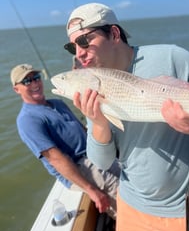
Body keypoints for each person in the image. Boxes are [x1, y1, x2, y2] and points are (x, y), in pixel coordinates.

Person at [64, 3, 189, 231]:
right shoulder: (91, 82)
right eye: (72, 47)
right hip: (130, 204)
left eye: (84, 40)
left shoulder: (173, 57)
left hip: (181, 209)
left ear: (114, 33)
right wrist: (99, 122)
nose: (79, 52)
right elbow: (101, 161)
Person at [11, 63, 120, 219]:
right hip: (81, 166)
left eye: (36, 78)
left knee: (132, 182)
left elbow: (83, 129)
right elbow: (55, 159)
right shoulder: (27, 120)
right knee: (124, 198)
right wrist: (91, 190)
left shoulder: (58, 103)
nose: (34, 83)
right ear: (17, 89)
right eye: (27, 81)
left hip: (95, 154)